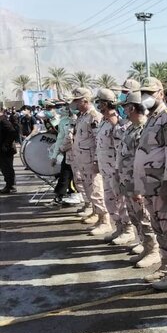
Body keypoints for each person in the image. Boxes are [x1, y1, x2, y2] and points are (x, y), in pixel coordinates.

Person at [134, 77, 167, 290]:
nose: (146, 97)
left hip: (163, 186)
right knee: (158, 227)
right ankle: (165, 266)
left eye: (150, 93)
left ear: (161, 93)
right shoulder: (152, 119)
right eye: (143, 93)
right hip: (149, 185)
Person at [116, 91, 160, 269]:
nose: (124, 110)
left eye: (126, 106)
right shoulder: (131, 128)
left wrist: (139, 187)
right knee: (135, 217)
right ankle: (145, 246)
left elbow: (144, 161)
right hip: (127, 182)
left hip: (138, 184)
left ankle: (153, 250)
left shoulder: (143, 129)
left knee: (144, 218)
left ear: (132, 107)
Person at [95, 89, 133, 240]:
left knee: (121, 201)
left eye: (99, 102)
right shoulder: (103, 121)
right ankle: (119, 227)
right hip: (105, 169)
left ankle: (128, 230)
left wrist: (119, 171)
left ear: (105, 103)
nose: (97, 105)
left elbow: (119, 149)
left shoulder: (115, 122)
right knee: (109, 200)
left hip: (115, 170)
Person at [70, 88, 108, 230]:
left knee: (96, 189)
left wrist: (96, 160)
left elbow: (98, 140)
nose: (74, 104)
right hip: (82, 159)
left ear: (85, 100)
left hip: (91, 160)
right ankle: (96, 213)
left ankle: (105, 220)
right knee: (89, 189)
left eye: (76, 101)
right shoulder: (82, 116)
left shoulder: (94, 116)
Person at [49, 101, 78, 205]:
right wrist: (54, 156)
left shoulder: (84, 118)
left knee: (79, 177)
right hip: (68, 153)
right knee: (64, 174)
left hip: (82, 154)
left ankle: (77, 196)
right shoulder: (63, 121)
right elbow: (60, 138)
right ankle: (59, 196)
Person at [0, 107, 17, 194]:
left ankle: (10, 186)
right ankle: (9, 185)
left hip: (6, 150)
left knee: (7, 168)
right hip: (3, 150)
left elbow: (12, 132)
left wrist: (5, 144)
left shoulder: (3, 120)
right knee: (4, 168)